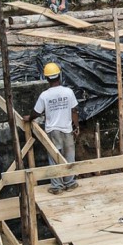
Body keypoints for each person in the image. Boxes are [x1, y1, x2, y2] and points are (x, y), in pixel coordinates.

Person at [26, 62, 80, 194]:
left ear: (47, 78)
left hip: (52, 131)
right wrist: (76, 126)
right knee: (69, 156)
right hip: (67, 129)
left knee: (54, 157)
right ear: (59, 76)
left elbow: (36, 112)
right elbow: (74, 111)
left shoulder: (45, 95)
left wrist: (29, 118)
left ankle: (57, 187)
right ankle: (70, 182)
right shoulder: (68, 92)